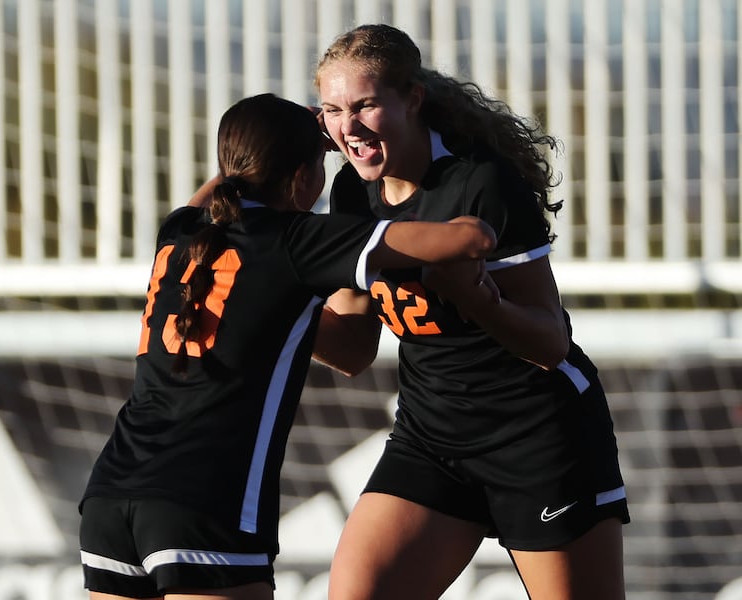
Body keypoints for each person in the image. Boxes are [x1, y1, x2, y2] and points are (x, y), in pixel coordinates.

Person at [77, 92, 497, 600]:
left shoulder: (180, 230)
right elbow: (471, 238)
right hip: (205, 504)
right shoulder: (299, 238)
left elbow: (345, 349)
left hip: (109, 500)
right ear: (303, 178)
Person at [312, 24, 630, 600]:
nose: (348, 128)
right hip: (431, 438)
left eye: (365, 105)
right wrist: (268, 305)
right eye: (332, 110)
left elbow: (549, 344)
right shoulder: (352, 194)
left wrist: (476, 298)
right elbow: (354, 348)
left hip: (538, 436)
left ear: (412, 99)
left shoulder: (480, 182)